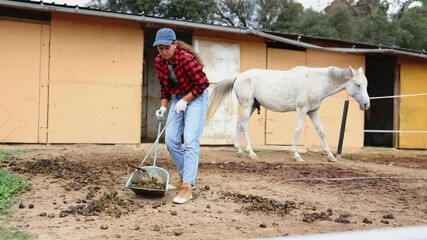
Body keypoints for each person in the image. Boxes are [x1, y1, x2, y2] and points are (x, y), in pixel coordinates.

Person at [153, 28, 210, 204]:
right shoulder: (159, 61)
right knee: (170, 139)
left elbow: (203, 84)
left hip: (196, 97)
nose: (163, 52)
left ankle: (187, 186)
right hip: (178, 97)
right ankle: (185, 175)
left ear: (174, 44)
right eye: (159, 48)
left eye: (166, 48)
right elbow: (165, 88)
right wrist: (163, 107)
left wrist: (185, 100)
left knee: (190, 141)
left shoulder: (186, 59)